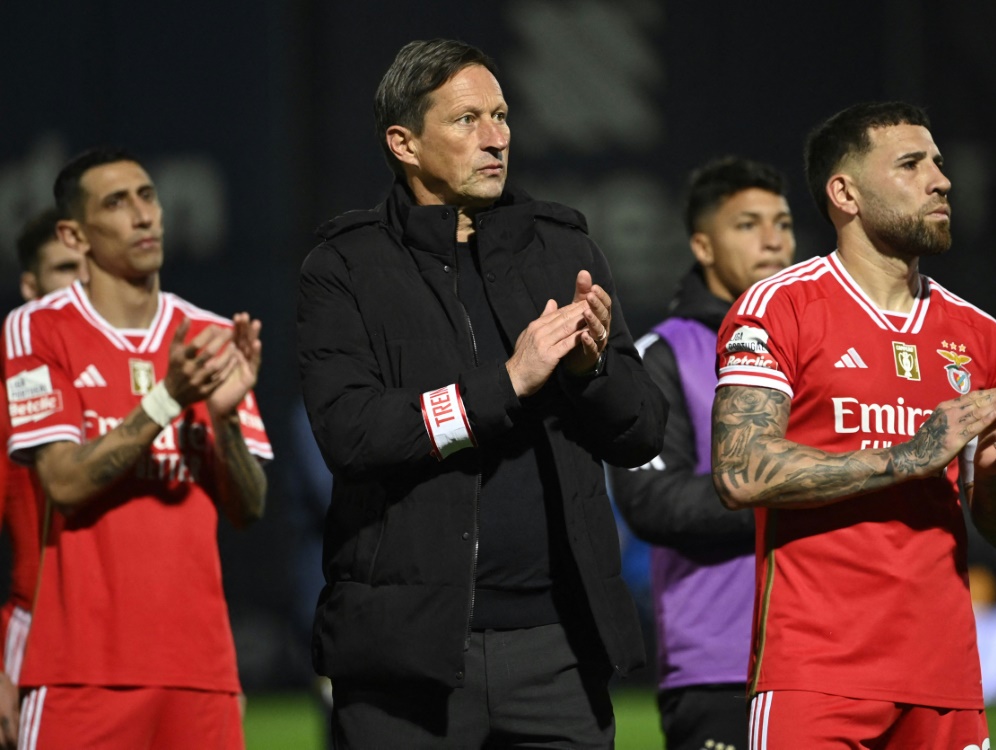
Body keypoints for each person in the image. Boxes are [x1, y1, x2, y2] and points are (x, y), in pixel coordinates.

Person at [297, 38, 667, 748]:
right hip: (410, 656)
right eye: (467, 120)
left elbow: (641, 432)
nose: (496, 138)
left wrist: (592, 374)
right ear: (404, 142)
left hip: (557, 650)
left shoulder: (562, 250)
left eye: (501, 116)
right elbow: (352, 435)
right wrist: (506, 384)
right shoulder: (343, 266)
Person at [711, 101, 996, 748]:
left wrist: (990, 481)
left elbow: (989, 523)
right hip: (816, 672)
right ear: (844, 192)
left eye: (938, 163)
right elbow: (738, 471)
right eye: (910, 163)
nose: (939, 179)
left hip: (947, 677)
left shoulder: (981, 335)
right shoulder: (778, 308)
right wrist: (911, 453)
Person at [1, 147, 272, 749]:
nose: (144, 215)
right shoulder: (38, 329)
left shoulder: (209, 335)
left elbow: (248, 507)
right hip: (80, 673)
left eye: (148, 196)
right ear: (74, 234)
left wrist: (224, 423)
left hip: (201, 674)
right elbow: (65, 484)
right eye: (117, 203)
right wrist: (167, 399)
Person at [610, 156, 795, 750]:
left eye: (784, 223)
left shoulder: (825, 348)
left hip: (837, 654)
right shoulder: (660, 355)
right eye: (747, 224)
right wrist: (806, 493)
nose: (773, 239)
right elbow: (650, 499)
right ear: (702, 245)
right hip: (722, 666)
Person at [0, 210, 88, 749]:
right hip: (39, 639)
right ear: (30, 286)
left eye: (90, 269)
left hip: (143, 644)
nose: (80, 285)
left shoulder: (145, 378)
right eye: (64, 269)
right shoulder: (9, 394)